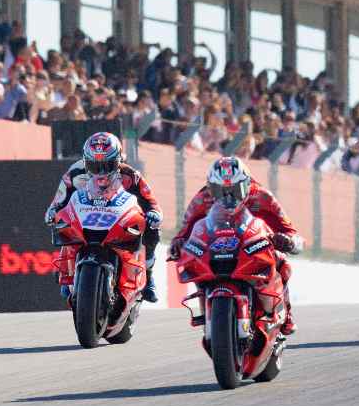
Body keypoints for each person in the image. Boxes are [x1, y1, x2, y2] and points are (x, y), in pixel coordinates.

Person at [168, 157, 305, 335]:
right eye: (219, 190)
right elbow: (184, 231)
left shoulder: (262, 196)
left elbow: (291, 231)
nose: (228, 196)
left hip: (252, 245)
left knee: (282, 262)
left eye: (235, 189)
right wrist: (178, 243)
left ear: (247, 184)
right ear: (210, 187)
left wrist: (288, 241)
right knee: (195, 263)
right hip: (216, 248)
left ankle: (285, 313)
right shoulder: (201, 199)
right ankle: (206, 308)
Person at [44, 132, 163, 303]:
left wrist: (154, 213)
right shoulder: (75, 173)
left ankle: (148, 275)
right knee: (64, 223)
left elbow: (150, 200)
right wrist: (53, 211)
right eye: (94, 165)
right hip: (87, 215)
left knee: (152, 228)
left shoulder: (131, 175)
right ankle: (67, 272)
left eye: (107, 165)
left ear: (118, 161)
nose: (101, 172)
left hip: (116, 216)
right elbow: (59, 200)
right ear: (86, 161)